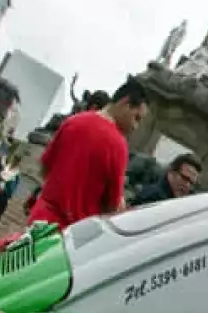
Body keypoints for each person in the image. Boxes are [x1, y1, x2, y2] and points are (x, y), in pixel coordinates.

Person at [27, 78, 148, 230]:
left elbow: (45, 168)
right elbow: (112, 206)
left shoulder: (73, 121)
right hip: (70, 235)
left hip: (39, 221)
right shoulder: (118, 145)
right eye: (136, 118)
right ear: (125, 103)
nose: (135, 127)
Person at [131, 152, 201, 206]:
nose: (187, 185)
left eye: (191, 183)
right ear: (171, 172)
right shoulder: (153, 199)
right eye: (184, 178)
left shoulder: (175, 201)